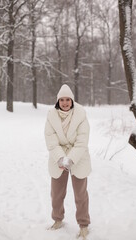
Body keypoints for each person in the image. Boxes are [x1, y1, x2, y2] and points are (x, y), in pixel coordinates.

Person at [44, 84, 91, 239]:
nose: (65, 103)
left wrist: (70, 159)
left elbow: (82, 141)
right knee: (56, 193)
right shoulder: (51, 115)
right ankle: (58, 219)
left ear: (72, 100)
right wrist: (60, 158)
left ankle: (83, 225)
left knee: (80, 194)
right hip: (58, 156)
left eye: (68, 100)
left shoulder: (81, 115)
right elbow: (51, 140)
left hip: (78, 156)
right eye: (62, 100)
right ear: (58, 101)